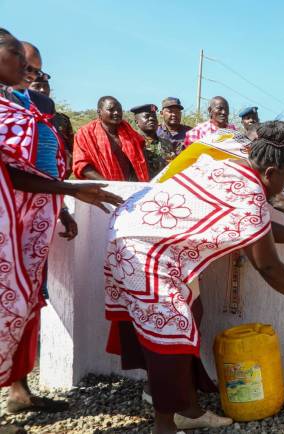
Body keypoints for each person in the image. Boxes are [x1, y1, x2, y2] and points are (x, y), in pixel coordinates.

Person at [104, 121, 284, 434]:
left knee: (193, 312)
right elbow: (268, 267)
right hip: (141, 245)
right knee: (171, 333)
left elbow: (258, 231)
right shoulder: (250, 193)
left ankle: (188, 409)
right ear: (269, 173)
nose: (282, 190)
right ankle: (165, 424)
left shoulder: (235, 162)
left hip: (145, 233)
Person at [0, 29, 123, 429]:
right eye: (21, 60)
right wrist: (71, 190)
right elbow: (13, 173)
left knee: (27, 303)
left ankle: (18, 389)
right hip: (9, 217)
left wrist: (60, 208)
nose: (31, 72)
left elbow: (41, 163)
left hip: (34, 218)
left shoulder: (31, 105)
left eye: (36, 68)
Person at [73, 96, 149, 181]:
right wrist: (108, 186)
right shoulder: (85, 134)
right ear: (99, 112)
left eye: (119, 109)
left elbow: (141, 157)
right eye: (111, 109)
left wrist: (135, 183)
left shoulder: (130, 133)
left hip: (130, 187)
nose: (116, 112)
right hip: (99, 189)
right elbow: (82, 165)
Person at [130, 104, 178, 179]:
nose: (152, 119)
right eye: (147, 116)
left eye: (154, 116)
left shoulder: (167, 143)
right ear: (137, 122)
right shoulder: (132, 143)